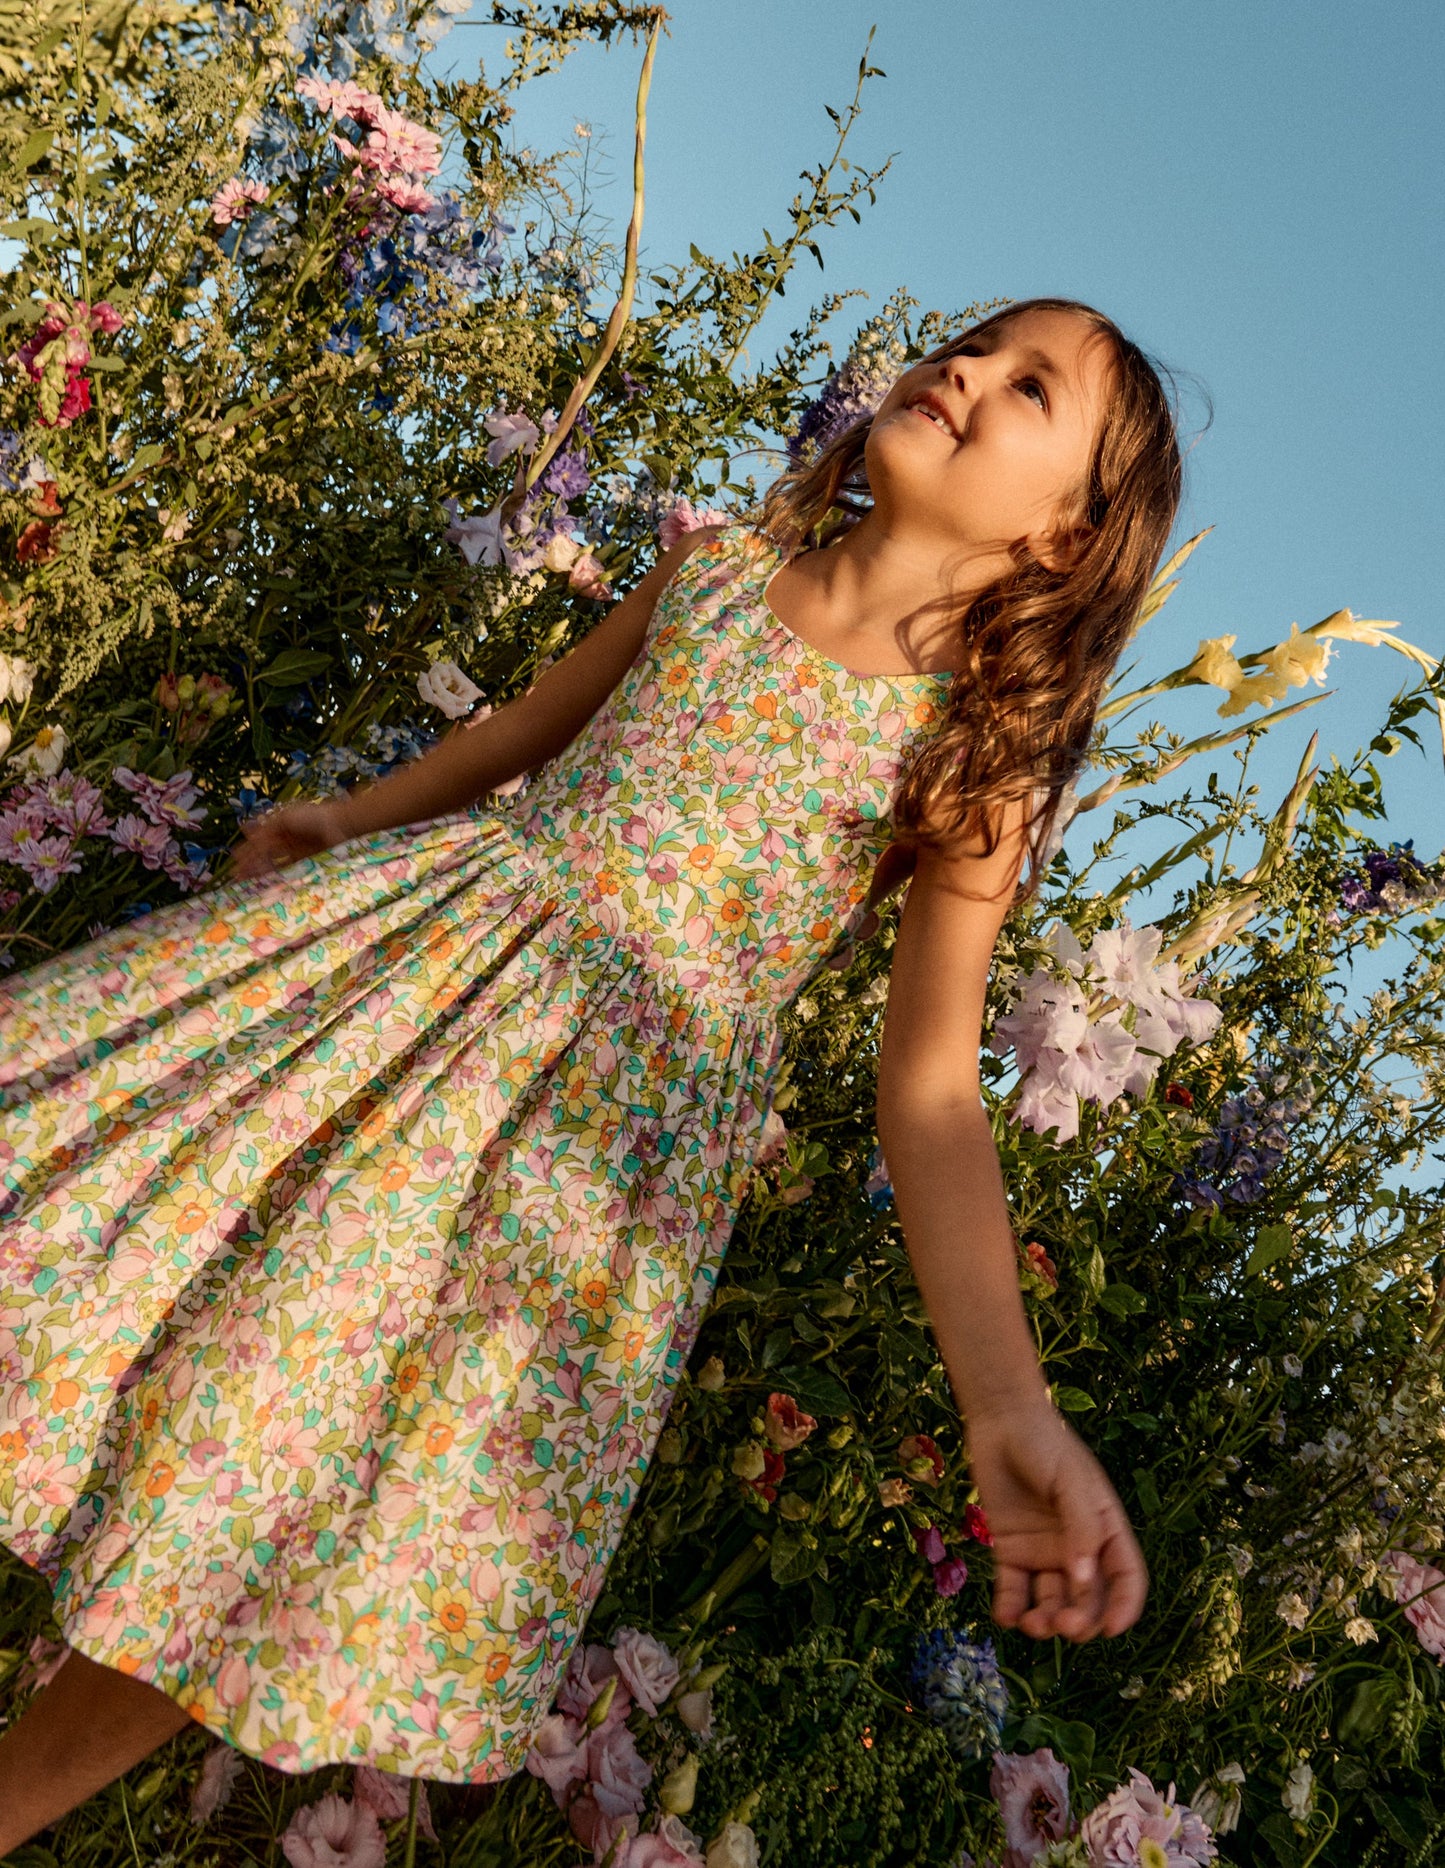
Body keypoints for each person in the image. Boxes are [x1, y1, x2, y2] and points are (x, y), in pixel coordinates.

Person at [0, 297, 1178, 1848]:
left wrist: (1005, 1403)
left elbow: (932, 1088)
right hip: (402, 972)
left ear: (1062, 543)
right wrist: (350, 821)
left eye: (1026, 387)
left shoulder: (972, 752)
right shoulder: (714, 574)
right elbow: (530, 735)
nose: (959, 371)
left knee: (249, 1511)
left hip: (572, 1164)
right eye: (970, 344)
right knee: (74, 1206)